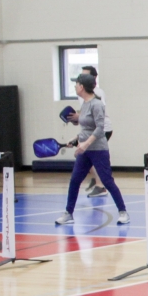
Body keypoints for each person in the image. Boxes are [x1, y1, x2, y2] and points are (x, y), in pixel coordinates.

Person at [55, 73, 129, 226]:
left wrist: (85, 144)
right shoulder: (85, 104)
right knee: (75, 181)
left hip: (98, 150)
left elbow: (100, 129)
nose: (75, 86)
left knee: (107, 181)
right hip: (84, 150)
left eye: (76, 84)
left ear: (82, 87)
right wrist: (76, 139)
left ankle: (123, 212)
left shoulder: (97, 104)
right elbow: (87, 128)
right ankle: (69, 213)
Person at [65, 65, 112, 198]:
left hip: (102, 129)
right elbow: (86, 115)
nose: (80, 77)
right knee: (84, 156)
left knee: (90, 155)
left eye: (84, 75)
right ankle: (95, 177)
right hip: (88, 130)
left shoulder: (98, 94)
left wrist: (79, 119)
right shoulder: (82, 97)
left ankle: (100, 184)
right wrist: (76, 119)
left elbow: (98, 116)